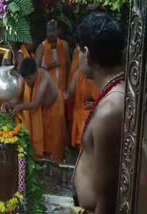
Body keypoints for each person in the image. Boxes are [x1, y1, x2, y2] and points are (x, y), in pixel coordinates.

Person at [73, 13, 125, 213]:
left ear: (86, 53)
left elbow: (108, 196)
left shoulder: (110, 111)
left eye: (77, 51)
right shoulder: (116, 93)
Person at [9, 58, 67, 161]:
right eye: (25, 79)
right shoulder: (23, 76)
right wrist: (9, 104)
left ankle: (55, 161)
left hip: (53, 107)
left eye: (30, 79)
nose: (28, 82)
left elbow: (36, 103)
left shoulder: (44, 77)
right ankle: (39, 156)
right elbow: (16, 96)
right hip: (39, 109)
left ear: (36, 72)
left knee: (54, 139)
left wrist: (20, 107)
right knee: (41, 135)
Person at [65, 51, 100, 149]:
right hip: (81, 114)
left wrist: (96, 104)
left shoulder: (99, 75)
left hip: (94, 114)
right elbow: (70, 92)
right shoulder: (79, 74)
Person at [35, 19, 70, 93]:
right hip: (48, 92)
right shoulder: (41, 47)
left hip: (63, 90)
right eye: (49, 31)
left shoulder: (64, 45)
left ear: (58, 31)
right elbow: (36, 70)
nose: (51, 33)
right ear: (46, 32)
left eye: (53, 30)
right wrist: (49, 66)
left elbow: (68, 66)